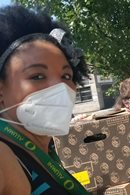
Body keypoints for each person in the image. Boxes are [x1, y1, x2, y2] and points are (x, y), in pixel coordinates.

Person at [0, 5, 90, 194]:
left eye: (66, 76)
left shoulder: (44, 153)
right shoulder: (3, 157)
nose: (60, 88)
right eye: (37, 76)